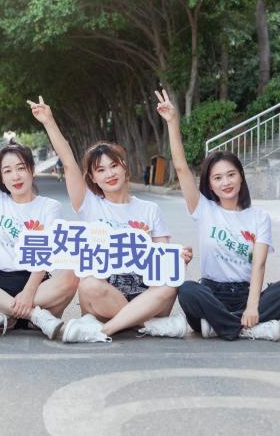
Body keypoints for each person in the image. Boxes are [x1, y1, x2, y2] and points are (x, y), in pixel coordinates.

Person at [29, 95, 192, 343]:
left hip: (146, 291)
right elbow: (69, 164)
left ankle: (104, 330)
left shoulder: (150, 210)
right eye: (101, 170)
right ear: (92, 178)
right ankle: (147, 324)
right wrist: (49, 121)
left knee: (170, 283)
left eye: (114, 166)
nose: (109, 174)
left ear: (124, 167)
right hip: (107, 291)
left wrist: (179, 259)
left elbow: (162, 259)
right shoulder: (89, 204)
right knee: (88, 284)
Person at [155, 89, 280, 341]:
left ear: (241, 177)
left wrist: (252, 306)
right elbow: (180, 168)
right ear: (210, 185)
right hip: (211, 295)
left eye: (231, 174)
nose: (226, 182)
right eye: (217, 178)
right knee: (187, 290)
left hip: (246, 294)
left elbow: (258, 265)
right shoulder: (204, 209)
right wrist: (172, 122)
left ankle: (223, 326)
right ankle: (246, 328)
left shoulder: (259, 218)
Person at [0, 77, 77, 340]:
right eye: (8, 171)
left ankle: (4, 315)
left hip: (38, 284)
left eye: (21, 168)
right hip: (2, 284)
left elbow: (46, 256)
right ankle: (34, 317)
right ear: (1, 177)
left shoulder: (50, 207)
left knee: (71, 276)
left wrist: (29, 293)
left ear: (32, 170)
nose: (15, 176)